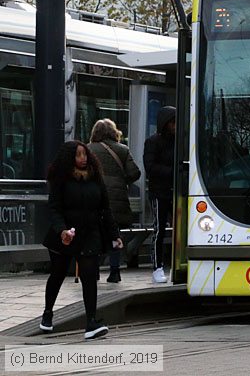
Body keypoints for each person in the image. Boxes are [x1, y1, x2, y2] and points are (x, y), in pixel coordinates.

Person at [41, 141, 122, 340]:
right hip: (65, 235)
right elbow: (54, 208)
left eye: (84, 154)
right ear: (70, 158)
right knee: (58, 274)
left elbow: (105, 208)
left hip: (90, 234)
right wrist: (62, 231)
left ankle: (91, 322)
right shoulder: (61, 179)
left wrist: (114, 235)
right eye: (78, 155)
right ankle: (48, 313)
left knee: (89, 277)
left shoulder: (95, 177)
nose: (83, 158)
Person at [88, 119, 141, 283]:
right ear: (113, 132)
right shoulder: (122, 150)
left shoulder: (88, 149)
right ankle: (115, 272)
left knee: (94, 234)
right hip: (117, 200)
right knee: (114, 235)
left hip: (94, 197)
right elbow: (135, 173)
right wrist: (121, 180)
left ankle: (94, 271)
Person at [144, 106, 176, 284]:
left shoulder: (179, 141)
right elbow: (150, 167)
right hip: (159, 192)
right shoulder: (153, 142)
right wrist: (172, 172)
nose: (175, 126)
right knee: (159, 229)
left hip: (172, 190)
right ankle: (157, 266)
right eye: (172, 122)